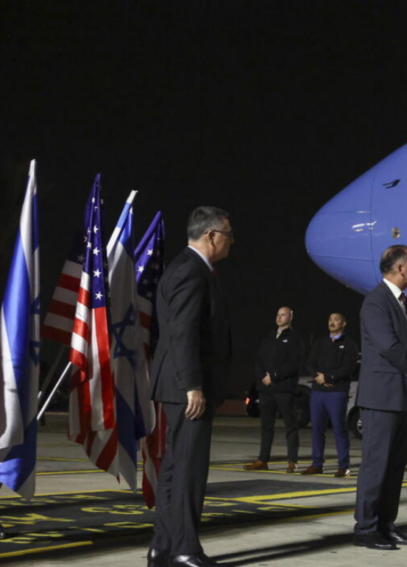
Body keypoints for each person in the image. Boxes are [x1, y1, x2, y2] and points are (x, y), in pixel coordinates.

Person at [149, 206, 233, 567]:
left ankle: (163, 547)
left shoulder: (186, 267)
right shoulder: (191, 271)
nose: (231, 241)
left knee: (175, 467)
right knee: (189, 469)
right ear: (211, 236)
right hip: (187, 388)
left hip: (178, 385)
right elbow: (182, 332)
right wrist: (193, 386)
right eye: (228, 234)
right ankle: (184, 549)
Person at [353, 245, 407, 550]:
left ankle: (386, 525)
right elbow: (388, 345)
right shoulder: (376, 301)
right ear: (400, 268)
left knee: (395, 466)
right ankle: (365, 529)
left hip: (402, 395)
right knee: (376, 465)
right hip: (381, 397)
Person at [244, 307, 303, 473]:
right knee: (266, 426)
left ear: (290, 318)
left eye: (283, 314)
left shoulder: (295, 339)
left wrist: (275, 376)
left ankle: (292, 461)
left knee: (290, 426)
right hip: (266, 390)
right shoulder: (268, 339)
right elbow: (258, 361)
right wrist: (263, 377)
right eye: (277, 314)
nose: (279, 317)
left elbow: (294, 364)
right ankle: (262, 460)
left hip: (284, 389)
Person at [301, 312, 359, 477]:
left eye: (336, 319)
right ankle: (317, 463)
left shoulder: (349, 345)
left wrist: (327, 377)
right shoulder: (320, 343)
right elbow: (310, 363)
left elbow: (348, 368)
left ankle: (343, 466)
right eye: (330, 320)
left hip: (337, 392)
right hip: (318, 392)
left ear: (344, 323)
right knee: (317, 429)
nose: (332, 322)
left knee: (339, 429)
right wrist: (317, 378)